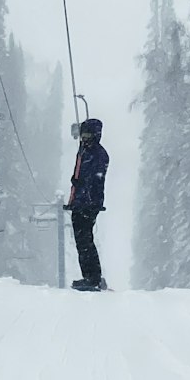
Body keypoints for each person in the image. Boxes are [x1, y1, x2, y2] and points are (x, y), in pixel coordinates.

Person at [66, 117, 108, 290]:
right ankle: (91, 277)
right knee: (82, 240)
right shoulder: (85, 151)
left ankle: (93, 278)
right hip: (80, 201)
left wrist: (81, 186)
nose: (84, 138)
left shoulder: (97, 154)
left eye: (88, 135)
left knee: (85, 240)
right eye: (83, 135)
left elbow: (94, 179)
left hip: (88, 203)